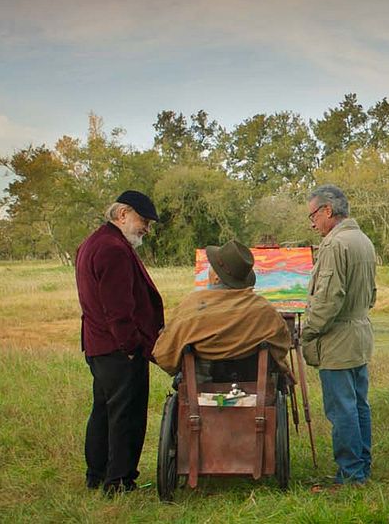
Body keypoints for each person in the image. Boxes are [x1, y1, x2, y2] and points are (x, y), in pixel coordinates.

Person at [75, 190, 164, 495]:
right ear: (123, 213)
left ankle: (97, 474)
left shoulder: (93, 242)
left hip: (99, 345)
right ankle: (119, 482)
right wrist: (130, 348)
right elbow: (118, 309)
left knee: (103, 411)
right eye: (143, 221)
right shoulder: (112, 248)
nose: (146, 229)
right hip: (118, 349)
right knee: (126, 416)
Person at [303, 184, 377, 487]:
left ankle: (350, 475)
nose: (312, 224)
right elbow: (371, 296)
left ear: (328, 211)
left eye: (313, 216)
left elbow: (327, 300)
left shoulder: (335, 245)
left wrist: (305, 331)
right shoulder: (362, 240)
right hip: (359, 334)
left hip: (338, 339)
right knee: (358, 405)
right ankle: (361, 468)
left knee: (342, 409)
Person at [151, 240, 293, 381]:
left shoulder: (190, 308)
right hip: (255, 388)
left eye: (211, 266)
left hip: (200, 388)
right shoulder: (265, 311)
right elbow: (281, 349)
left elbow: (164, 355)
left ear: (217, 277)